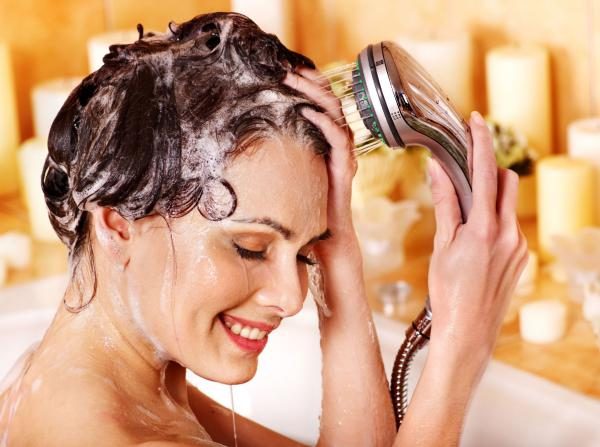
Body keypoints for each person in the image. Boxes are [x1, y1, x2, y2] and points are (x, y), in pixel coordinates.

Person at [0, 12, 527, 446]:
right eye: (250, 248)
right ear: (119, 223)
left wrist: (333, 236)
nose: (291, 298)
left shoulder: (110, 383)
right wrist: (459, 348)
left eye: (303, 255)